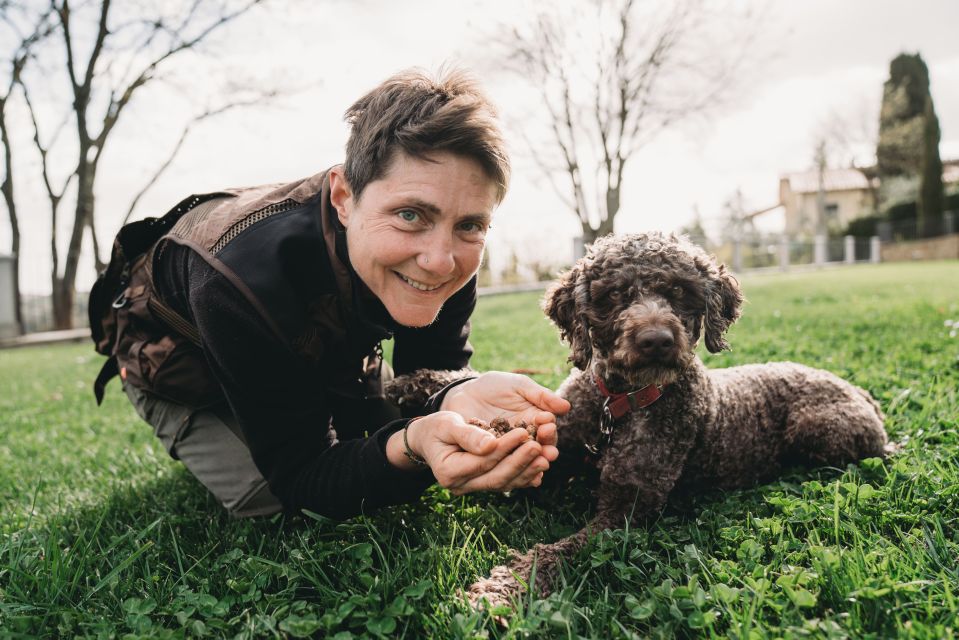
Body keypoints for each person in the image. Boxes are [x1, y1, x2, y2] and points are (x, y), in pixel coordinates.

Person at [93, 68, 570, 519]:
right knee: (269, 498)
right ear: (344, 198)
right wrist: (413, 444)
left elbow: (428, 373)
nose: (440, 261)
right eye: (410, 215)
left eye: (470, 225)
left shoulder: (450, 260)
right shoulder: (239, 278)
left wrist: (458, 394)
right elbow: (302, 476)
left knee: (372, 438)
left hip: (320, 338)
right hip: (179, 358)